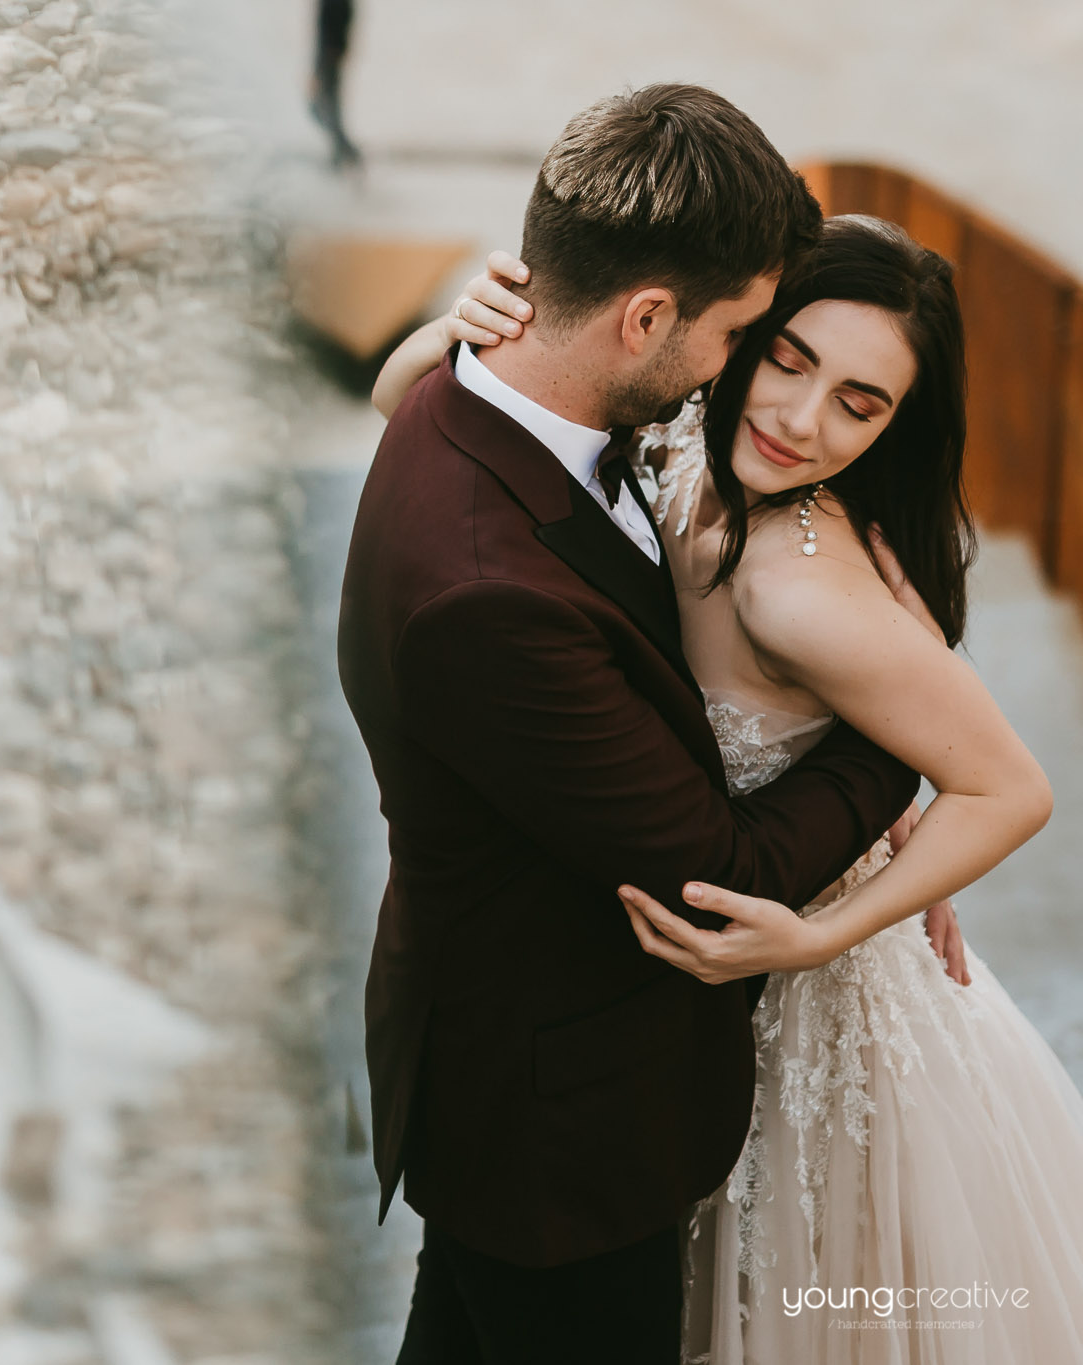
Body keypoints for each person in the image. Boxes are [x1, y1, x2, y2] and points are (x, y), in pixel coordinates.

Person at [380, 217, 1083, 1360]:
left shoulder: (800, 588)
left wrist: (823, 936)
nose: (798, 422)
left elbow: (1008, 788)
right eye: (789, 360)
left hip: (796, 997)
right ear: (739, 333)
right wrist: (452, 328)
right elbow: (397, 406)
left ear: (897, 424)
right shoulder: (678, 443)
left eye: (859, 405)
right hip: (673, 991)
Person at [338, 84, 923, 1364]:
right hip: (555, 1127)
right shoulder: (489, 595)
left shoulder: (471, 388)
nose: (736, 376)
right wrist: (893, 746)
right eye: (737, 338)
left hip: (510, 1075)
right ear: (644, 316)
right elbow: (717, 875)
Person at [311, 0, 361, 168]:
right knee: (323, 108)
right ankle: (342, 152)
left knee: (322, 107)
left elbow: (329, 34)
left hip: (329, 59)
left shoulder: (335, 4)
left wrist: (321, 66)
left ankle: (343, 153)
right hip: (330, 58)